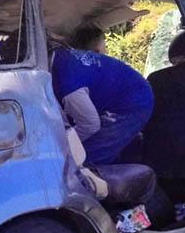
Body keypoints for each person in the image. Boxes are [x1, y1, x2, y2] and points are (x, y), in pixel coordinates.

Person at [51, 27, 154, 166]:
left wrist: (57, 147)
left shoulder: (68, 82)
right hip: (118, 95)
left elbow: (90, 125)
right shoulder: (60, 57)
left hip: (133, 103)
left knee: (83, 159)